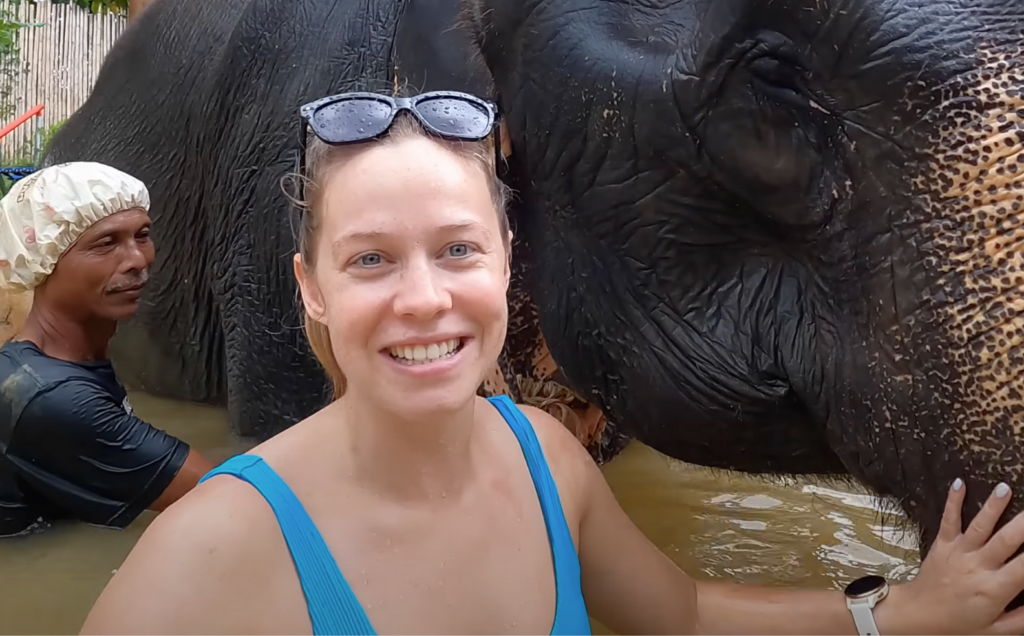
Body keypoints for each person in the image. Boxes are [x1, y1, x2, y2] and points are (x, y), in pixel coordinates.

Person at [82, 91, 1024, 635]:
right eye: (371, 258)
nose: (423, 298)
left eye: (458, 250)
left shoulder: (545, 457)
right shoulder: (207, 551)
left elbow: (687, 612)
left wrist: (900, 612)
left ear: (506, 263)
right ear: (311, 287)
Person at [0, 162, 212, 537]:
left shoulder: (50, 363)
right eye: (106, 243)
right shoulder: (53, 400)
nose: (138, 260)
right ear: (42, 262)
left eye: (142, 235)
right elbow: (232, 498)